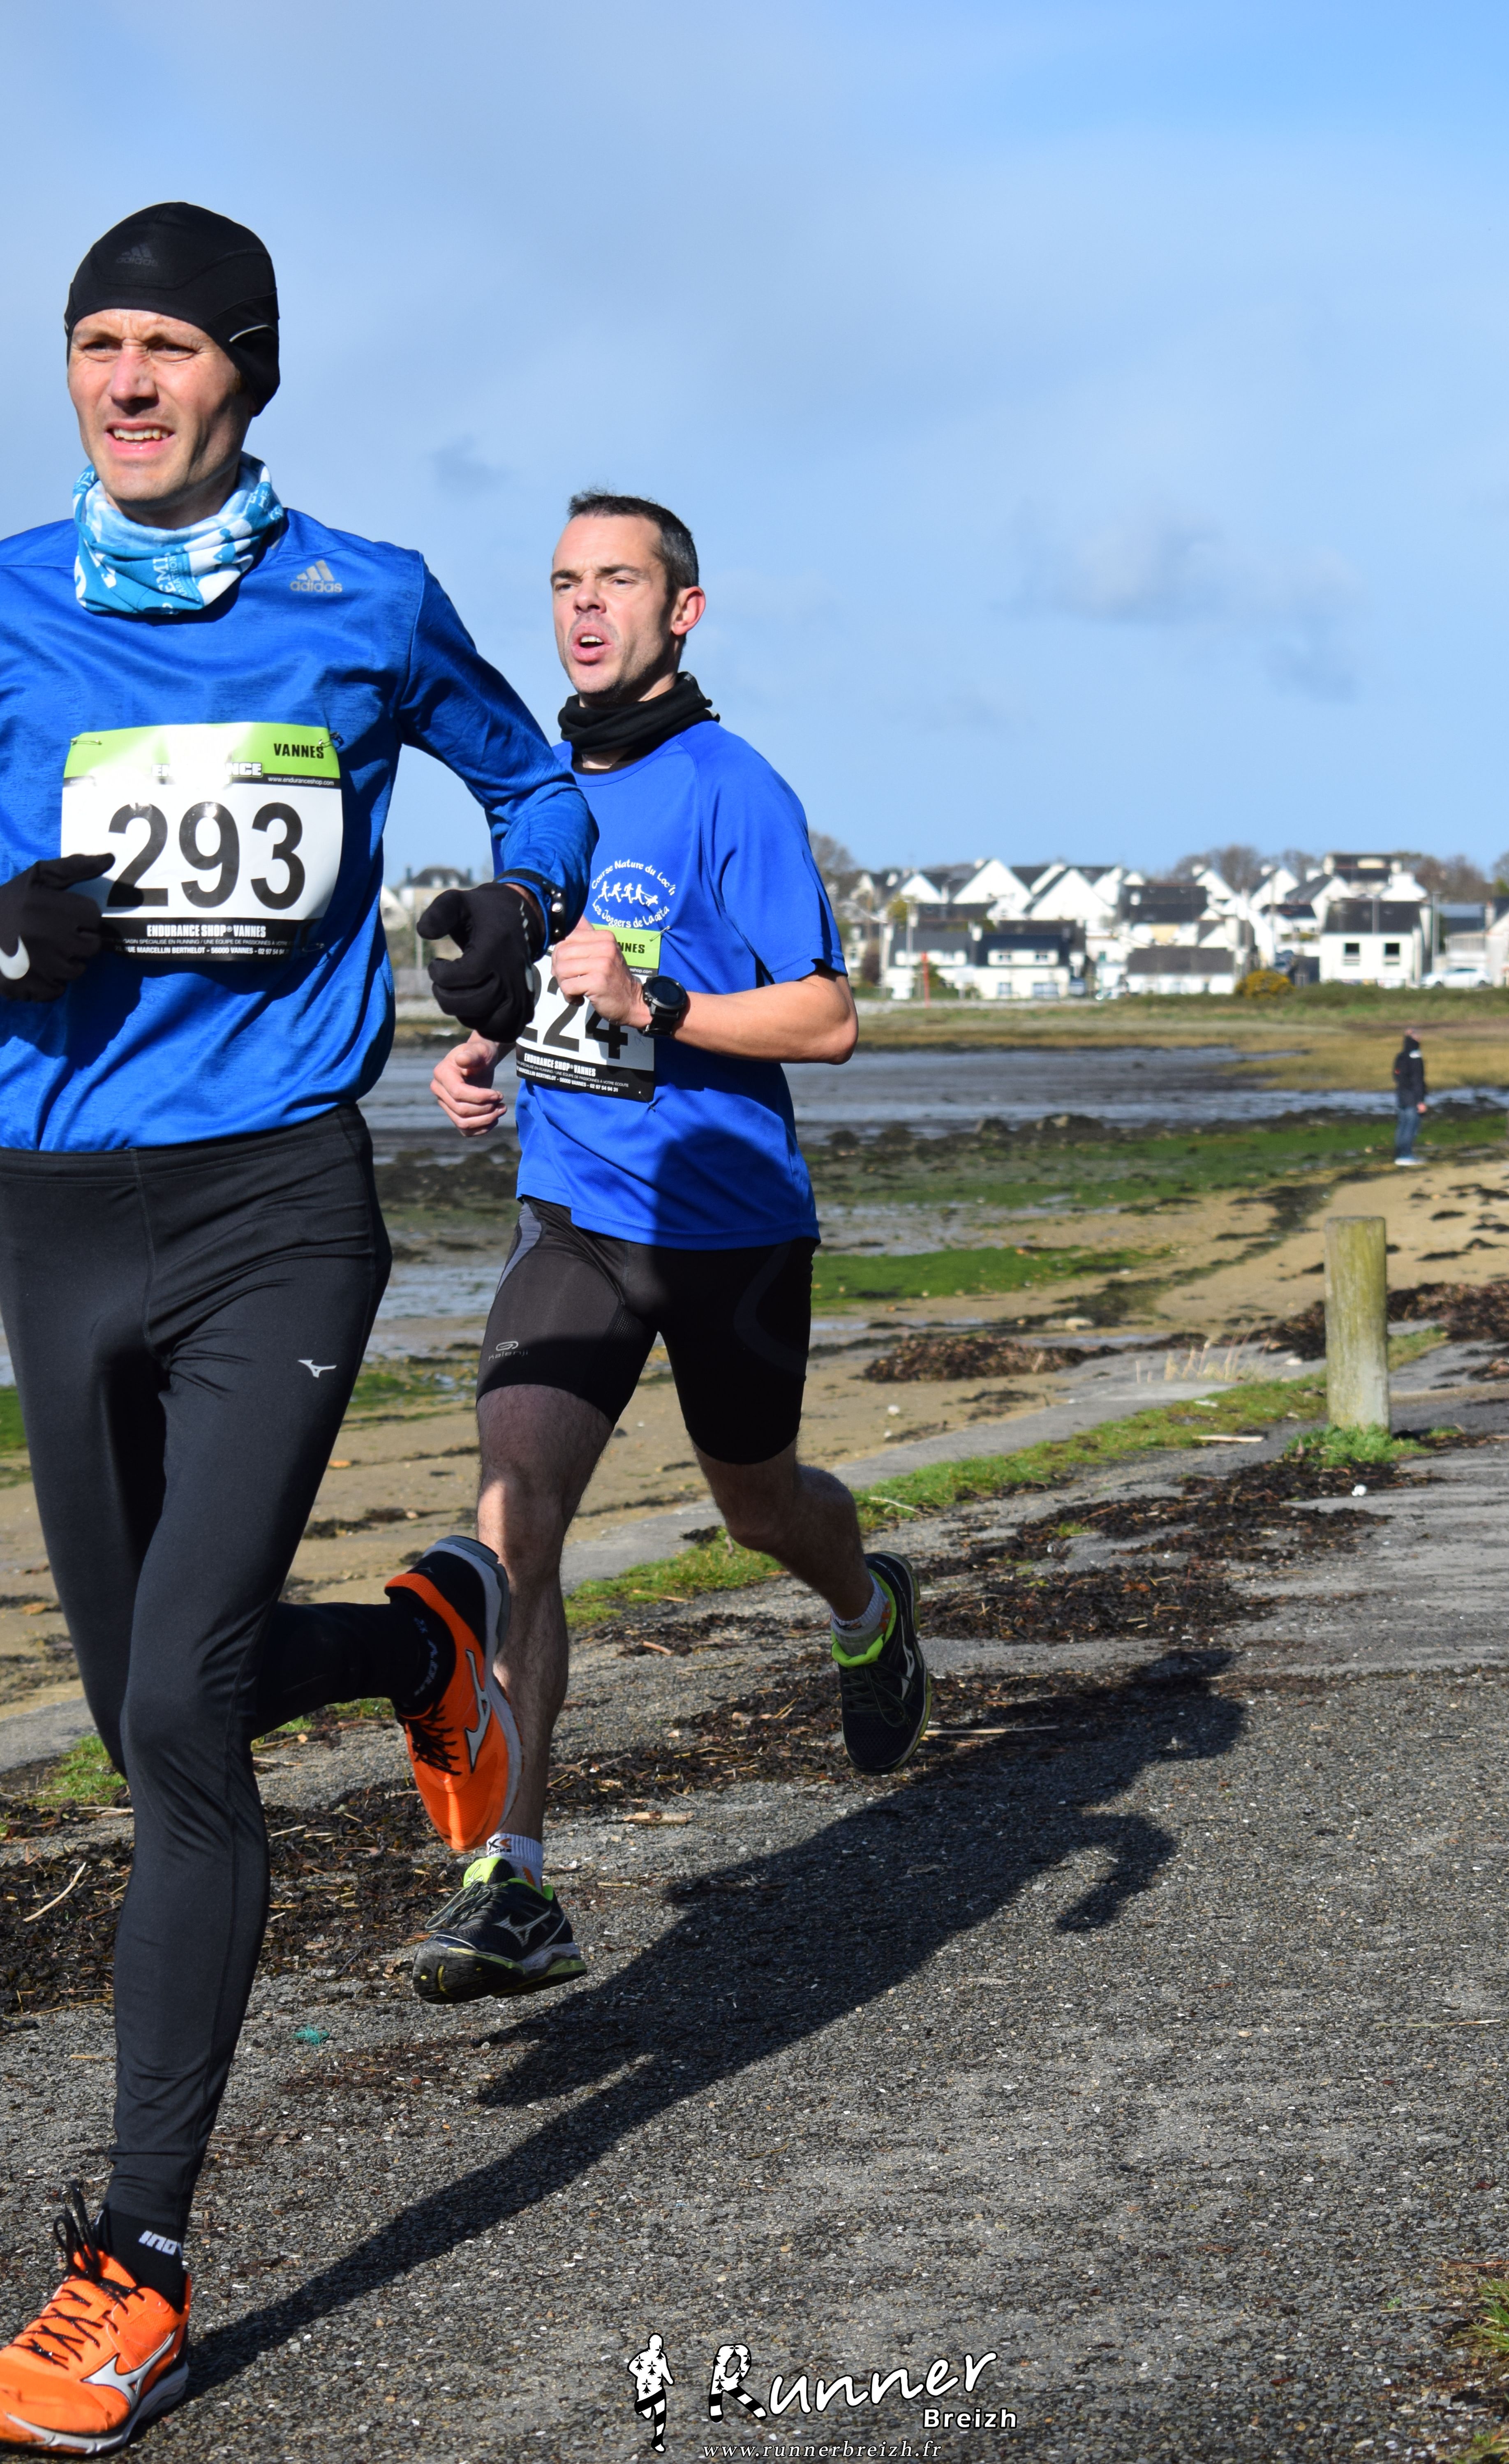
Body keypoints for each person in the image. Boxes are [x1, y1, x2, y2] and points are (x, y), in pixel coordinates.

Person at [0, 203, 594, 2452]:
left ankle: (133, 2267)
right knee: (168, 1689)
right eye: (96, 345)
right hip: (53, 1214)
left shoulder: (366, 597)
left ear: (246, 372)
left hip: (275, 1205)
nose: (127, 385)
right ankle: (427, 1648)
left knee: (173, 1714)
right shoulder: (6, 602)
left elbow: (535, 781)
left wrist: (513, 905)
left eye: (168, 348)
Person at [411, 491, 929, 2003]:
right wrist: (489, 1051)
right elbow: (553, 989)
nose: (584, 607)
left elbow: (825, 1019)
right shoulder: (534, 796)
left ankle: (866, 1607)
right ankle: (510, 1880)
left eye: (617, 581)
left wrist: (662, 1006)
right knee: (516, 1518)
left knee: (759, 1506)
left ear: (679, 610)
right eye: (564, 582)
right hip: (573, 1219)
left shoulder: (731, 789)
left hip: (728, 1228)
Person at [1393, 1028, 1426, 1164]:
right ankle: (1406, 1156)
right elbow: (1417, 1080)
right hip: (1412, 1099)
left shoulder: (1401, 1056)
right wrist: (1420, 1101)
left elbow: (1396, 1076)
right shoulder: (1415, 1057)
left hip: (1401, 1097)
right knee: (1411, 1127)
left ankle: (1399, 1155)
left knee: (1403, 1126)